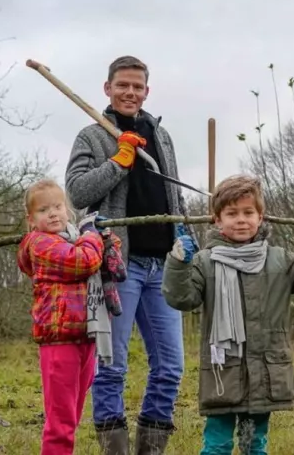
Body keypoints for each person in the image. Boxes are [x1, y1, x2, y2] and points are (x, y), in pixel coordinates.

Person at [65, 55, 194, 454]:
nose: (130, 92)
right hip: (117, 267)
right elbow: (77, 193)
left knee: (171, 367)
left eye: (137, 87)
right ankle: (114, 448)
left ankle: (150, 448)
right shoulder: (91, 136)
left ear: (146, 91)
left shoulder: (161, 135)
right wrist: (118, 161)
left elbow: (172, 192)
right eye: (122, 85)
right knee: (111, 365)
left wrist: (187, 235)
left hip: (165, 266)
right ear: (108, 88)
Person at [161, 175, 294, 455]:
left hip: (265, 372)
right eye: (232, 213)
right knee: (216, 445)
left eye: (248, 212)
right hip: (223, 372)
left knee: (254, 444)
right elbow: (181, 298)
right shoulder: (205, 262)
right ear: (217, 220)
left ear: (261, 216)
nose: (241, 220)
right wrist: (178, 264)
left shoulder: (279, 259)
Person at [17, 179, 124, 455]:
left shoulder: (74, 238)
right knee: (60, 422)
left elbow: (102, 263)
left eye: (58, 206)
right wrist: (92, 235)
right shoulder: (40, 244)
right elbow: (84, 261)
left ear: (67, 210)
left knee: (73, 416)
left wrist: (108, 242)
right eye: (43, 210)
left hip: (85, 335)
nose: (53, 213)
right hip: (58, 339)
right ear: (31, 220)